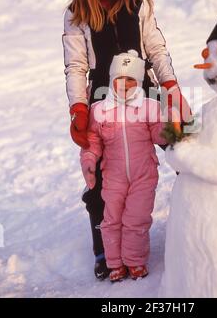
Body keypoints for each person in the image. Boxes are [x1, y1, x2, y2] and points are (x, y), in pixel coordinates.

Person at [62, 0, 191, 279]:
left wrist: (170, 86)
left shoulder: (138, 3)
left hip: (145, 92)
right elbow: (75, 65)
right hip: (104, 98)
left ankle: (198, 227)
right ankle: (104, 249)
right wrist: (78, 107)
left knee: (184, 149)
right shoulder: (78, 12)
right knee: (101, 176)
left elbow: (156, 48)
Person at [80, 50, 167, 281]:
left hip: (144, 174)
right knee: (112, 220)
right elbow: (93, 142)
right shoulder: (100, 110)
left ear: (139, 82)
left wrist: (172, 130)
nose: (125, 84)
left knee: (136, 219)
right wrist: (89, 160)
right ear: (111, 80)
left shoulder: (149, 107)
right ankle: (115, 263)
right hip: (113, 176)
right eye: (120, 79)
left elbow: (159, 133)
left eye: (131, 79)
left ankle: (135, 261)